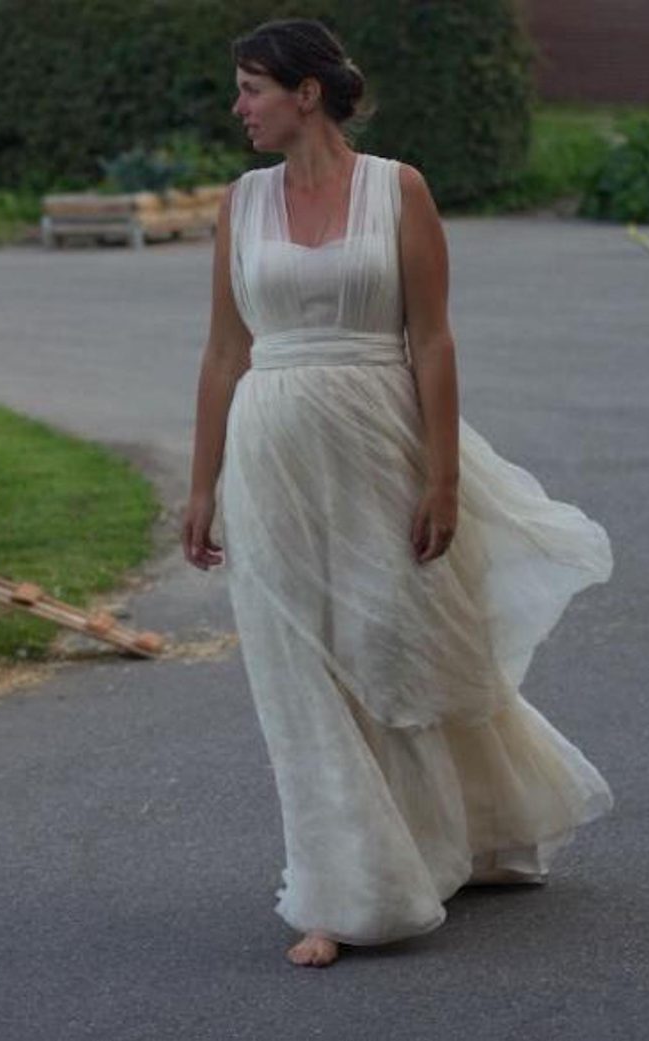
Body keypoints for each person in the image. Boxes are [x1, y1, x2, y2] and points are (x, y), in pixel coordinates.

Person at [182, 19, 614, 968]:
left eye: (251, 87)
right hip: (272, 461)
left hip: (381, 444)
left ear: (307, 94)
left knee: (394, 644)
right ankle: (350, 888)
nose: (237, 107)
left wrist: (445, 474)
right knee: (304, 668)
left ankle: (466, 830)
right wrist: (201, 483)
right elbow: (224, 352)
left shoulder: (398, 188)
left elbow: (434, 339)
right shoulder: (239, 205)